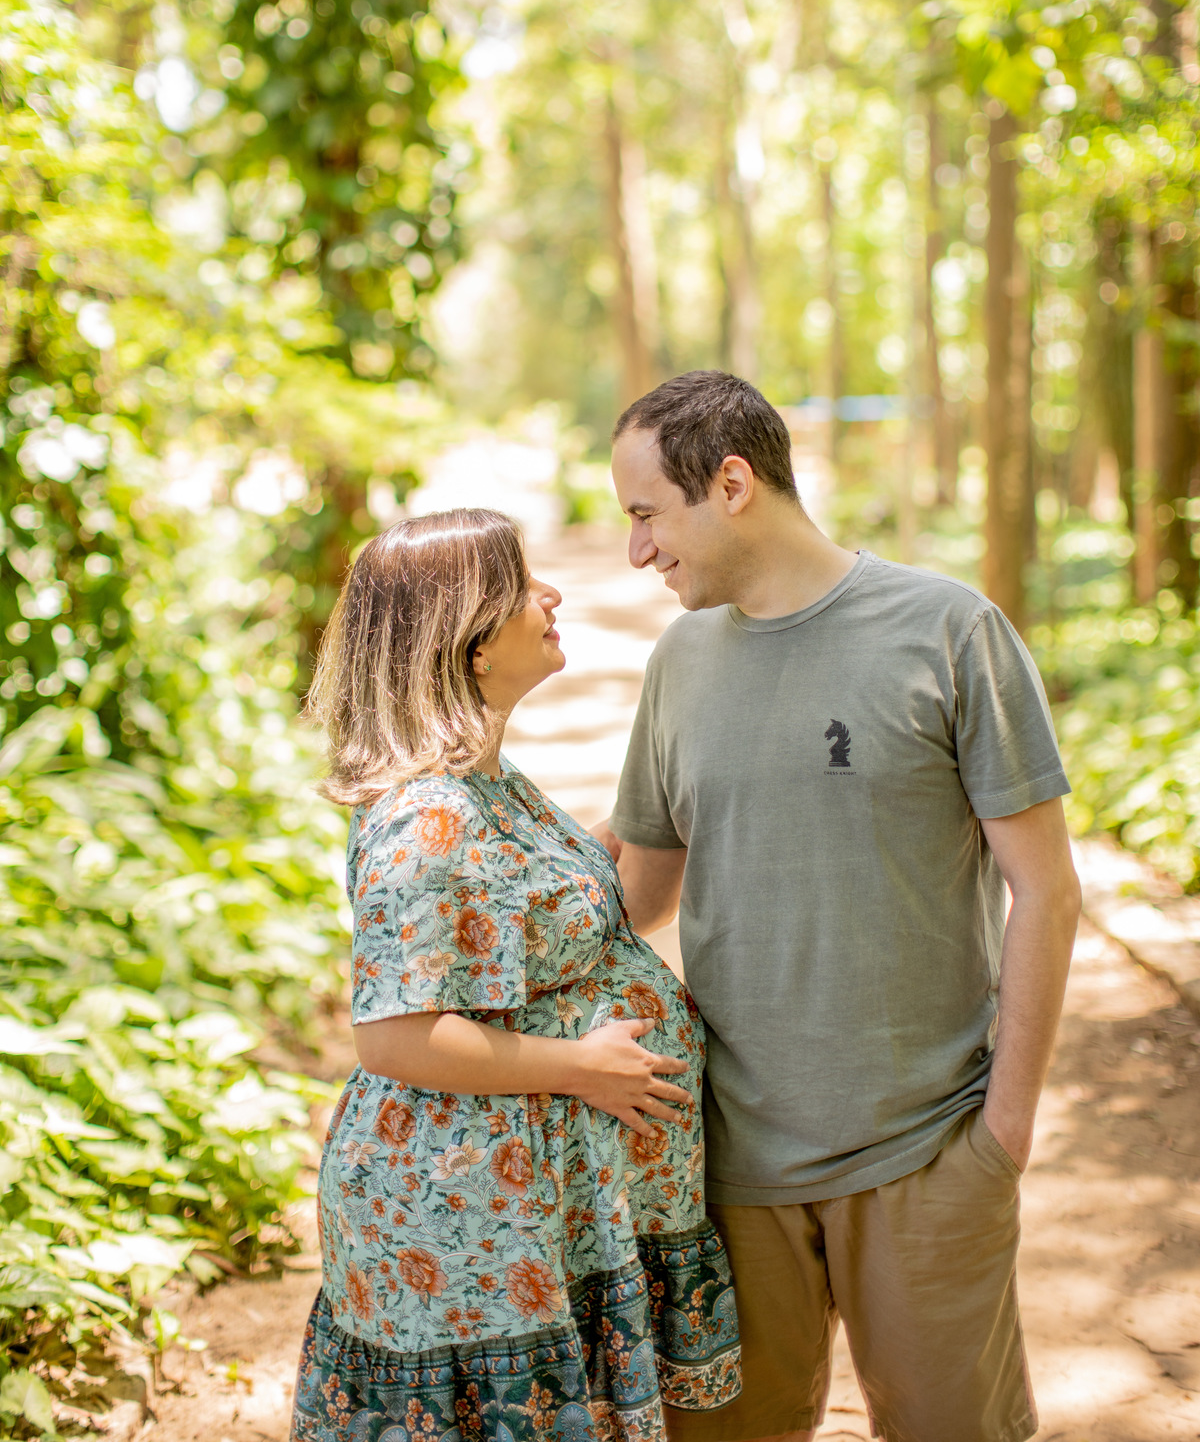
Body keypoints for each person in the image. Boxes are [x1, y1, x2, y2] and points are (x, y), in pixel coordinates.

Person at [595, 371, 1082, 1442]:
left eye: (645, 515)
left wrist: (1004, 1134)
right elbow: (637, 890)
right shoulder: (678, 663)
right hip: (727, 1174)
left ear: (730, 484)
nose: (637, 550)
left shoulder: (950, 632)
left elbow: (1045, 889)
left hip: (925, 1153)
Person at [290, 507, 741, 1442]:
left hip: (527, 1216)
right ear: (466, 641)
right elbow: (394, 1035)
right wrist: (580, 1066)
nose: (552, 593)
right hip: (468, 1239)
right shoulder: (429, 817)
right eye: (521, 585)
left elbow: (542, 923)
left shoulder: (489, 780)